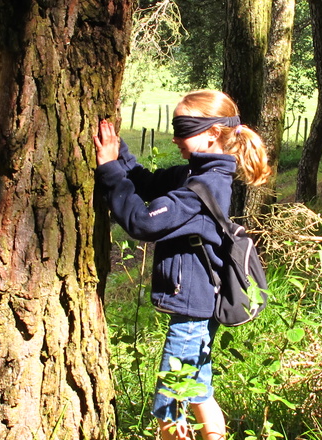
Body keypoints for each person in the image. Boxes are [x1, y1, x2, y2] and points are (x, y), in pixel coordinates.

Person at [93, 89, 272, 440]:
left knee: (169, 402)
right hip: (199, 308)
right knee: (198, 390)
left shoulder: (201, 187)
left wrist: (110, 171)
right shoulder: (194, 173)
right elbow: (144, 182)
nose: (175, 137)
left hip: (193, 315)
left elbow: (143, 222)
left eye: (183, 129)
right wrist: (118, 150)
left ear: (212, 133)